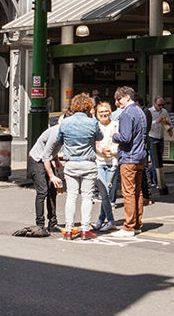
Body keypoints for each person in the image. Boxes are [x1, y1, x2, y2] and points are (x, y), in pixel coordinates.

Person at [56, 93, 103, 240]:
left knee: (71, 196)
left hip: (71, 163)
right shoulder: (92, 123)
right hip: (88, 162)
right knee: (87, 197)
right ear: (89, 106)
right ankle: (85, 229)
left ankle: (69, 230)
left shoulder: (65, 122)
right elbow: (99, 137)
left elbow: (59, 139)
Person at [110, 85, 148, 238]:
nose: (118, 103)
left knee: (128, 193)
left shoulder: (127, 113)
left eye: (119, 99)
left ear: (127, 97)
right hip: (140, 157)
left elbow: (125, 137)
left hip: (128, 157)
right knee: (137, 192)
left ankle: (128, 227)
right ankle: (137, 224)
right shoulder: (140, 112)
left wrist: (114, 135)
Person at [27, 114, 65, 235]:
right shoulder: (56, 133)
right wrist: (52, 176)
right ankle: (40, 224)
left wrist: (57, 161)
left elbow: (52, 151)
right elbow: (45, 156)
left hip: (45, 158)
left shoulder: (64, 133)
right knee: (42, 191)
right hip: (36, 160)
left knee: (52, 190)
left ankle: (52, 223)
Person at [92, 100, 117, 233]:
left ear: (110, 112)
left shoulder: (115, 125)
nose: (104, 114)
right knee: (104, 192)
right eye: (101, 112)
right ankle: (110, 220)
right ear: (97, 114)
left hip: (112, 162)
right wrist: (99, 150)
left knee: (105, 193)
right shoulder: (95, 126)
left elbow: (119, 143)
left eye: (106, 111)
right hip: (99, 162)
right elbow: (91, 142)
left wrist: (111, 151)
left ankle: (101, 220)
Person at [147, 96, 170, 189]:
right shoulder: (149, 112)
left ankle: (150, 174)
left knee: (159, 160)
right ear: (154, 104)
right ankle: (157, 181)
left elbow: (169, 122)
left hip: (161, 137)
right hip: (152, 137)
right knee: (155, 161)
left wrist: (167, 124)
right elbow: (147, 124)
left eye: (162, 105)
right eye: (159, 105)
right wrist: (156, 121)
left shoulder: (164, 112)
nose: (161, 107)